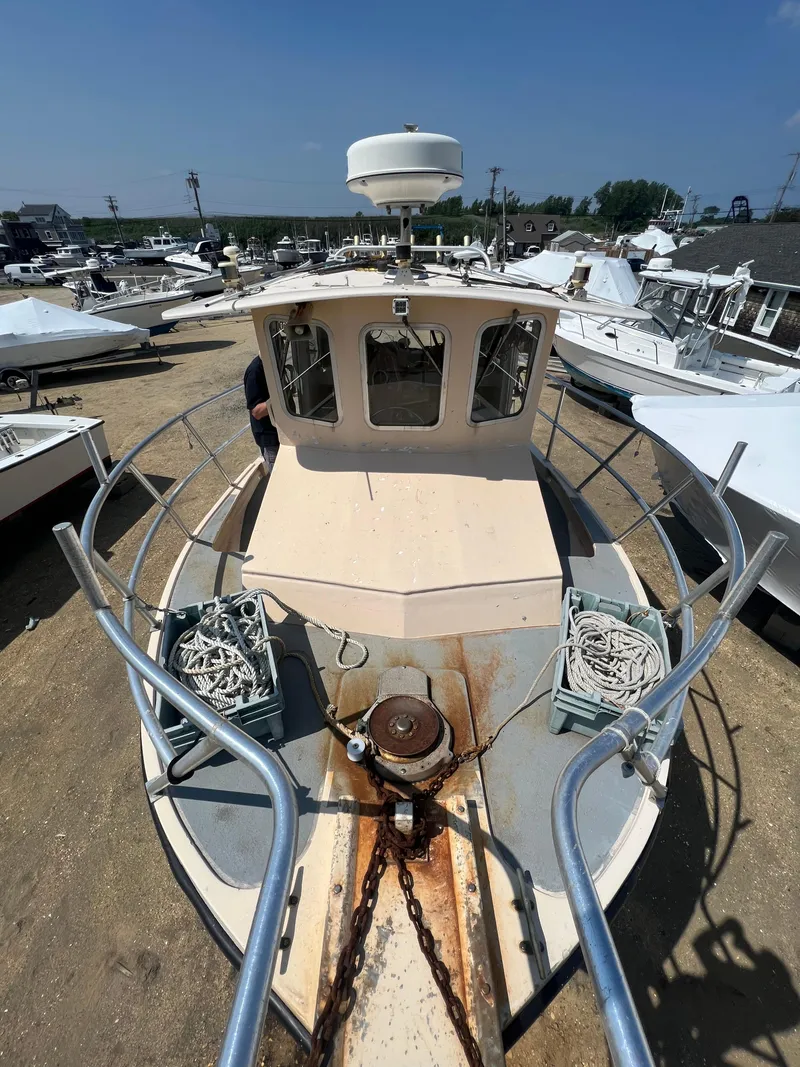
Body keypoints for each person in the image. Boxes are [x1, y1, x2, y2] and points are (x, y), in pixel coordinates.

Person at [244, 355, 280, 471]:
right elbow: (257, 412)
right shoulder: (255, 371)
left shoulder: (272, 363)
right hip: (269, 437)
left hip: (281, 431)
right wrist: (281, 398)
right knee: (277, 473)